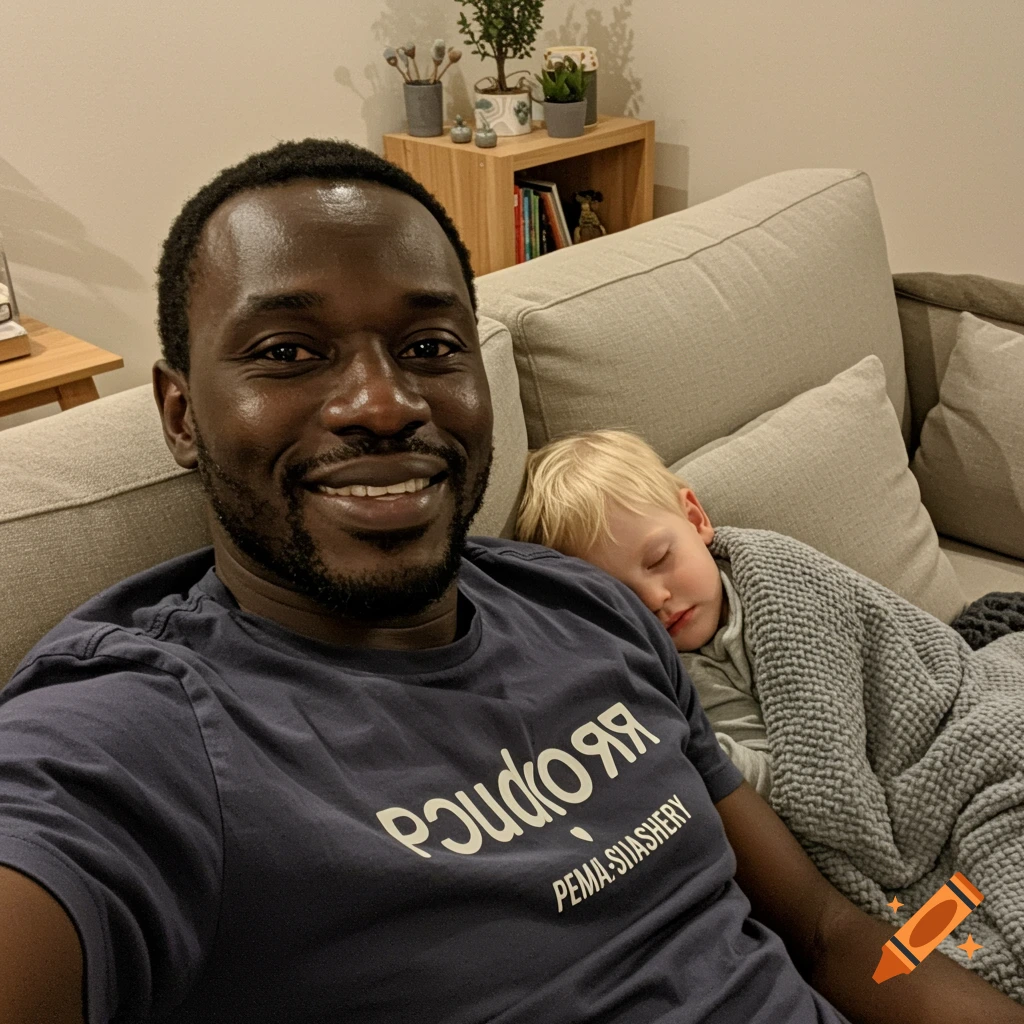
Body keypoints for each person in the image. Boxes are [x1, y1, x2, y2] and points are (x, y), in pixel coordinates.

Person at [0, 139, 1021, 1024]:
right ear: (181, 415)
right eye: (289, 351)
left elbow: (828, 930)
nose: (381, 402)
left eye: (429, 345)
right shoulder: (139, 733)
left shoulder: (589, 608)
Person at [514, 428, 772, 798]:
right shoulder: (685, 676)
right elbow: (778, 784)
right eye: (622, 597)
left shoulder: (771, 574)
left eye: (659, 558)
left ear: (696, 518)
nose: (653, 599)